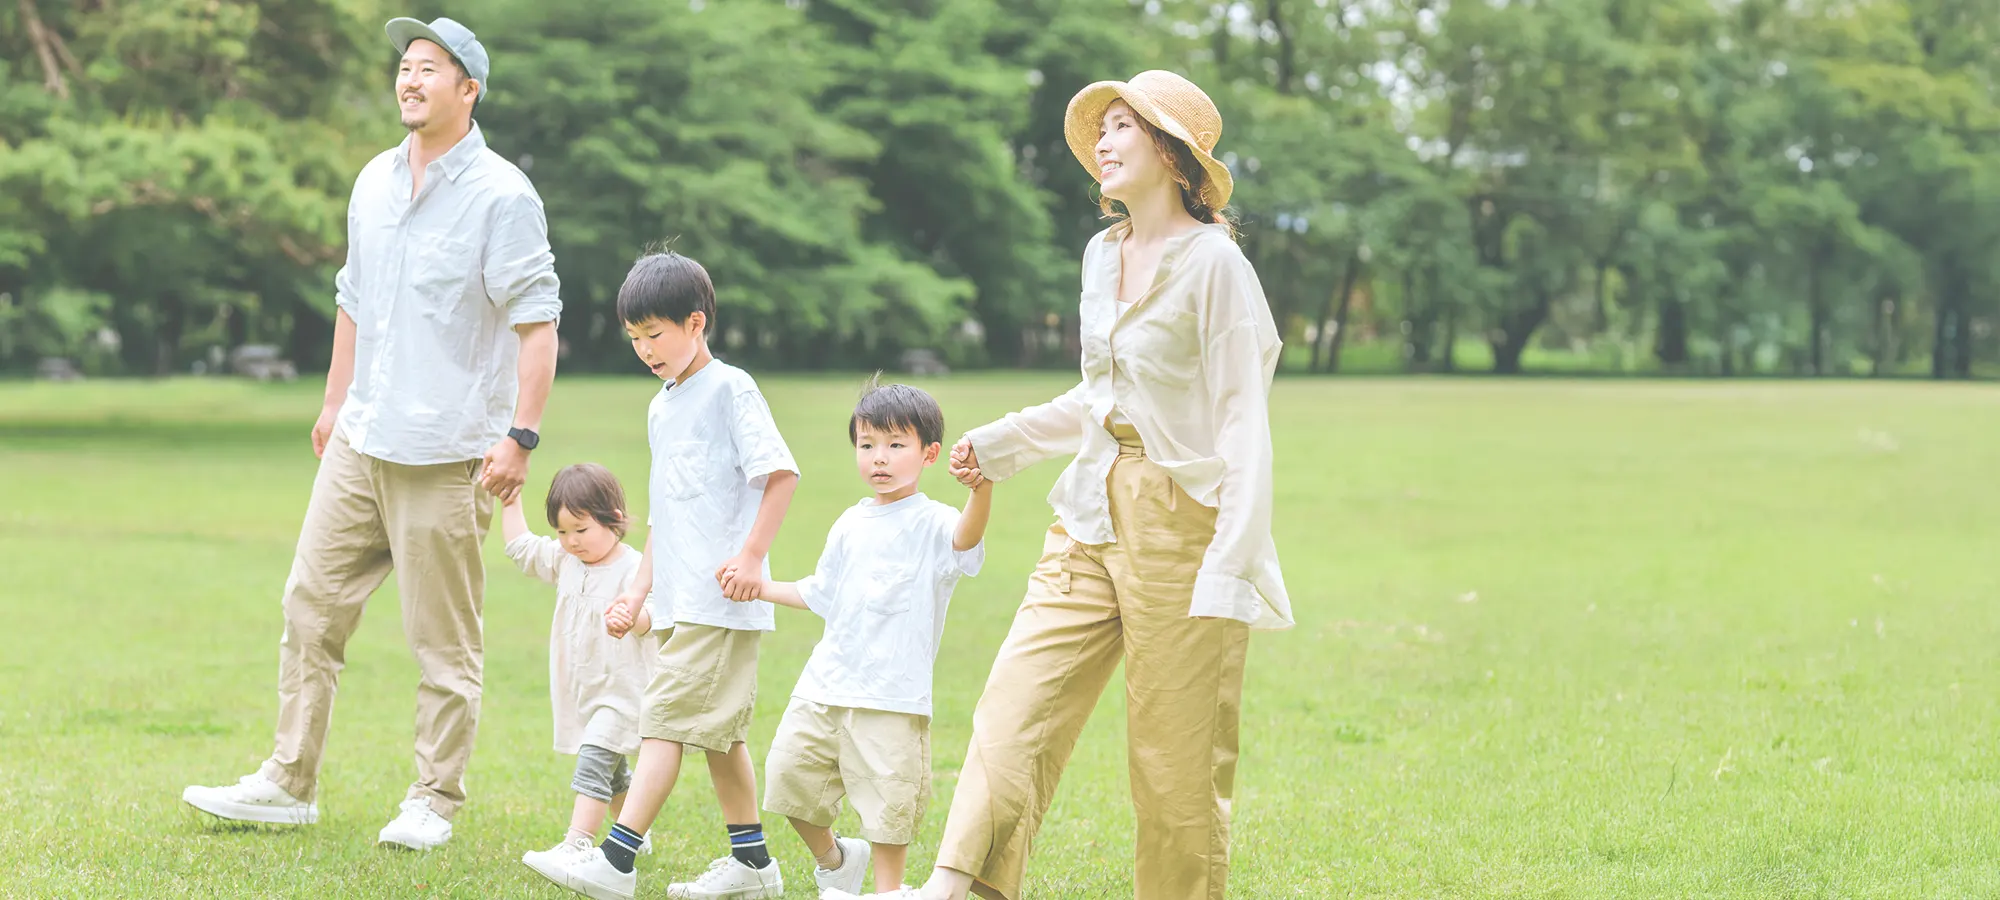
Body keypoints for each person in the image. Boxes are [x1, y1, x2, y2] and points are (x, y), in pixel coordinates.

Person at [832, 70, 1294, 900]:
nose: (1104, 143)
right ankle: (952, 885)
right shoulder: (1101, 253)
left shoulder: (1217, 267)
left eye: (1124, 126)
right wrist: (1004, 443)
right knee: (1014, 708)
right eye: (1103, 128)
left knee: (1173, 762)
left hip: (1185, 525)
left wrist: (1231, 565)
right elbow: (1099, 396)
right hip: (1088, 506)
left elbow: (1242, 426)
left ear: (1170, 151)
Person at [181, 14, 561, 852]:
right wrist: (331, 403)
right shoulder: (372, 183)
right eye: (405, 66)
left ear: (469, 89)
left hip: (449, 451)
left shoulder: (504, 195)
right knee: (309, 609)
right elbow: (355, 300)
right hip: (361, 440)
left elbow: (539, 325)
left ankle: (434, 798)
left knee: (442, 643)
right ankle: (288, 782)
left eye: (431, 68)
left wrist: (520, 437)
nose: (411, 79)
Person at [533, 250, 799, 900]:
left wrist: (751, 557)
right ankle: (754, 865)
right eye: (635, 338)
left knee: (661, 722)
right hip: (682, 605)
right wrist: (638, 589)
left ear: (695, 323)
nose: (645, 349)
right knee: (718, 739)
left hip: (722, 601)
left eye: (656, 334)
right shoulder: (661, 406)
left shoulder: (731, 389)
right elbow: (664, 519)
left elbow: (780, 475)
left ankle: (615, 863)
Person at [742, 379, 991, 895]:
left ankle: (887, 891)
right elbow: (821, 592)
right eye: (867, 444)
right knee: (787, 778)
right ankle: (835, 861)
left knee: (889, 809)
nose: (880, 458)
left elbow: (965, 540)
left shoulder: (934, 522)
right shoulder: (849, 523)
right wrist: (760, 586)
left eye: (896, 445)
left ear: (929, 454)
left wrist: (981, 490)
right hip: (824, 685)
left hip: (891, 696)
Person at [503, 464, 659, 869]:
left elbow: (658, 615)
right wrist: (510, 499)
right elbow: (522, 549)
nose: (571, 541)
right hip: (586, 688)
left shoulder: (634, 568)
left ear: (615, 520)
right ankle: (634, 834)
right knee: (614, 769)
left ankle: (578, 842)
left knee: (594, 760)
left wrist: (634, 618)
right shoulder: (566, 561)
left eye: (581, 530)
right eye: (561, 531)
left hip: (624, 690)